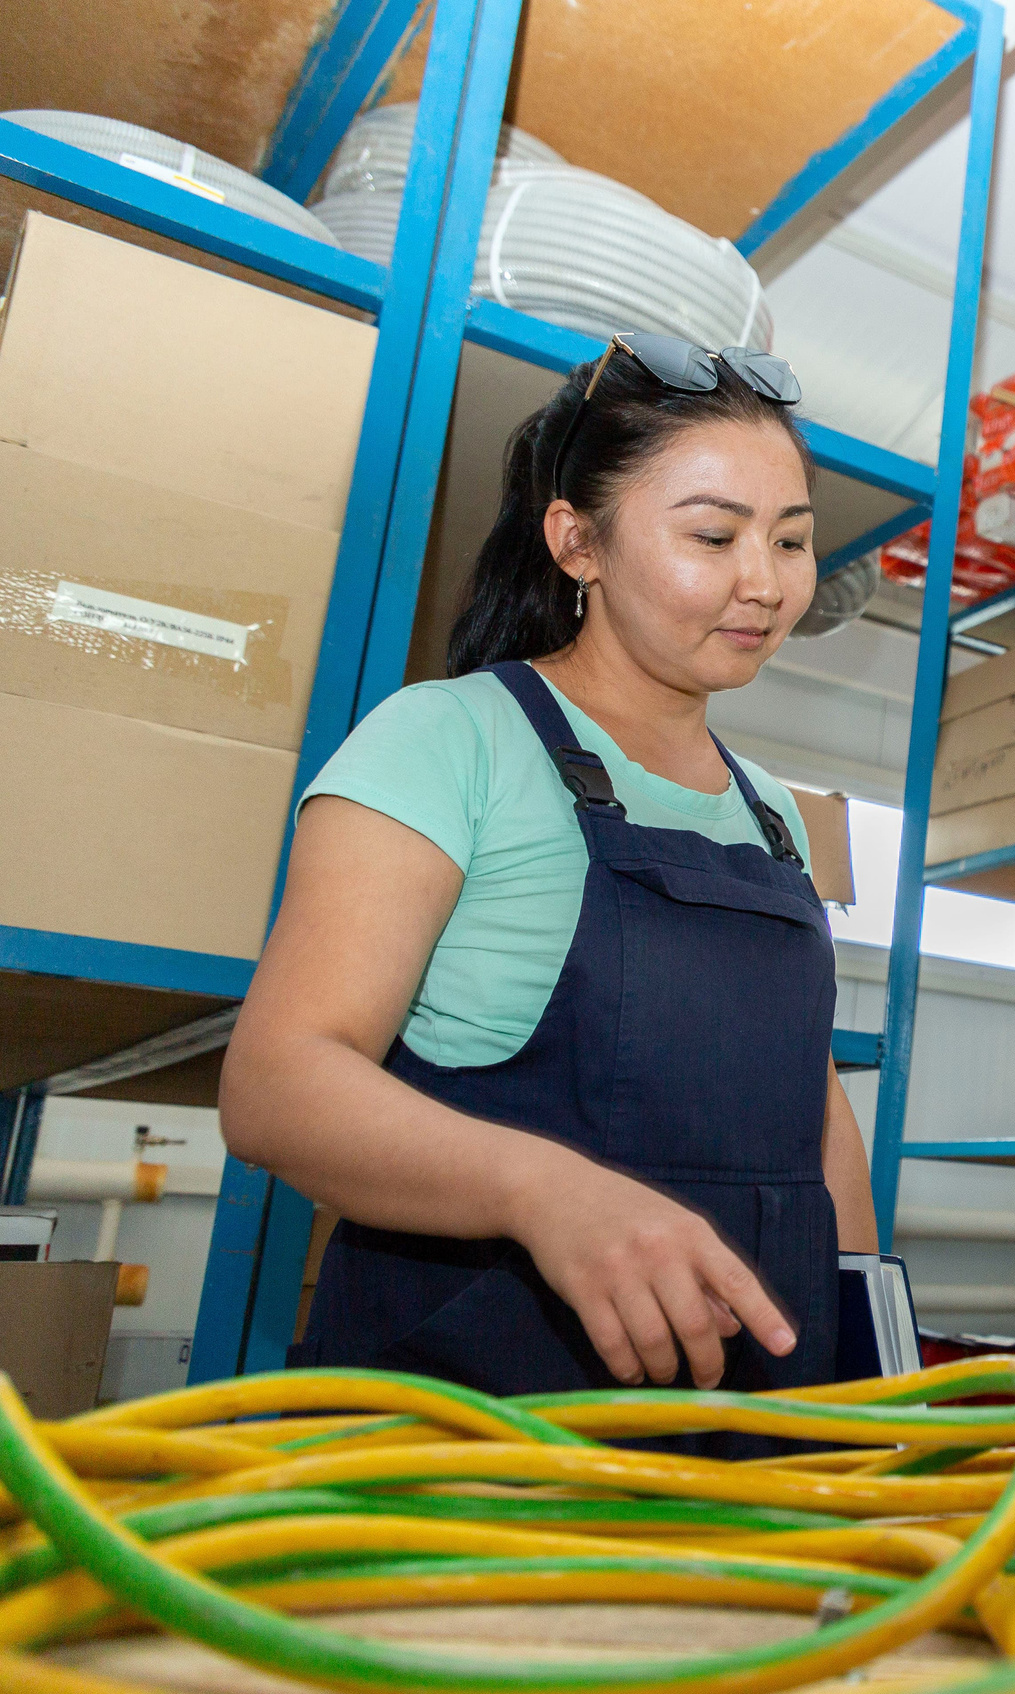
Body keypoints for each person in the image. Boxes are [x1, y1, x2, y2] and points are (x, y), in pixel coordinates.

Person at [222, 333, 874, 1400]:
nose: (764, 583)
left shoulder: (772, 819)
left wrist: (862, 1351)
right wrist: (544, 1193)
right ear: (578, 543)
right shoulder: (449, 741)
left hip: (757, 1436)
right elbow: (276, 1084)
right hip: (475, 1432)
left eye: (792, 541)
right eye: (713, 535)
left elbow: (819, 1118)